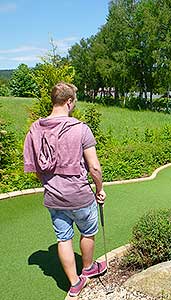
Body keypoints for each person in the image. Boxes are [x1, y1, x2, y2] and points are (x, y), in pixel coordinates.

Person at [23, 82, 107, 298]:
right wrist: (100, 189)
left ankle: (74, 283)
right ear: (69, 102)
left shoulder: (36, 129)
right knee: (87, 232)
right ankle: (88, 268)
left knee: (63, 238)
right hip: (79, 195)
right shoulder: (80, 129)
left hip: (53, 196)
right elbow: (94, 167)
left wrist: (49, 183)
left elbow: (34, 166)